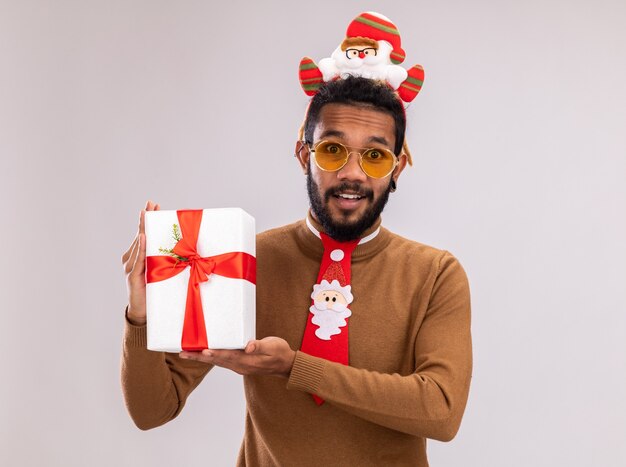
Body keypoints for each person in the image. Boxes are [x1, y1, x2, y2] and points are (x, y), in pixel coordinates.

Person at [121, 76, 472, 466]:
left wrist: (293, 366)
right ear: (305, 156)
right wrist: (140, 314)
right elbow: (152, 411)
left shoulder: (436, 273)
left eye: (374, 156)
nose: (352, 173)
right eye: (333, 150)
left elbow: (442, 411)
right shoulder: (245, 262)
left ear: (398, 168)